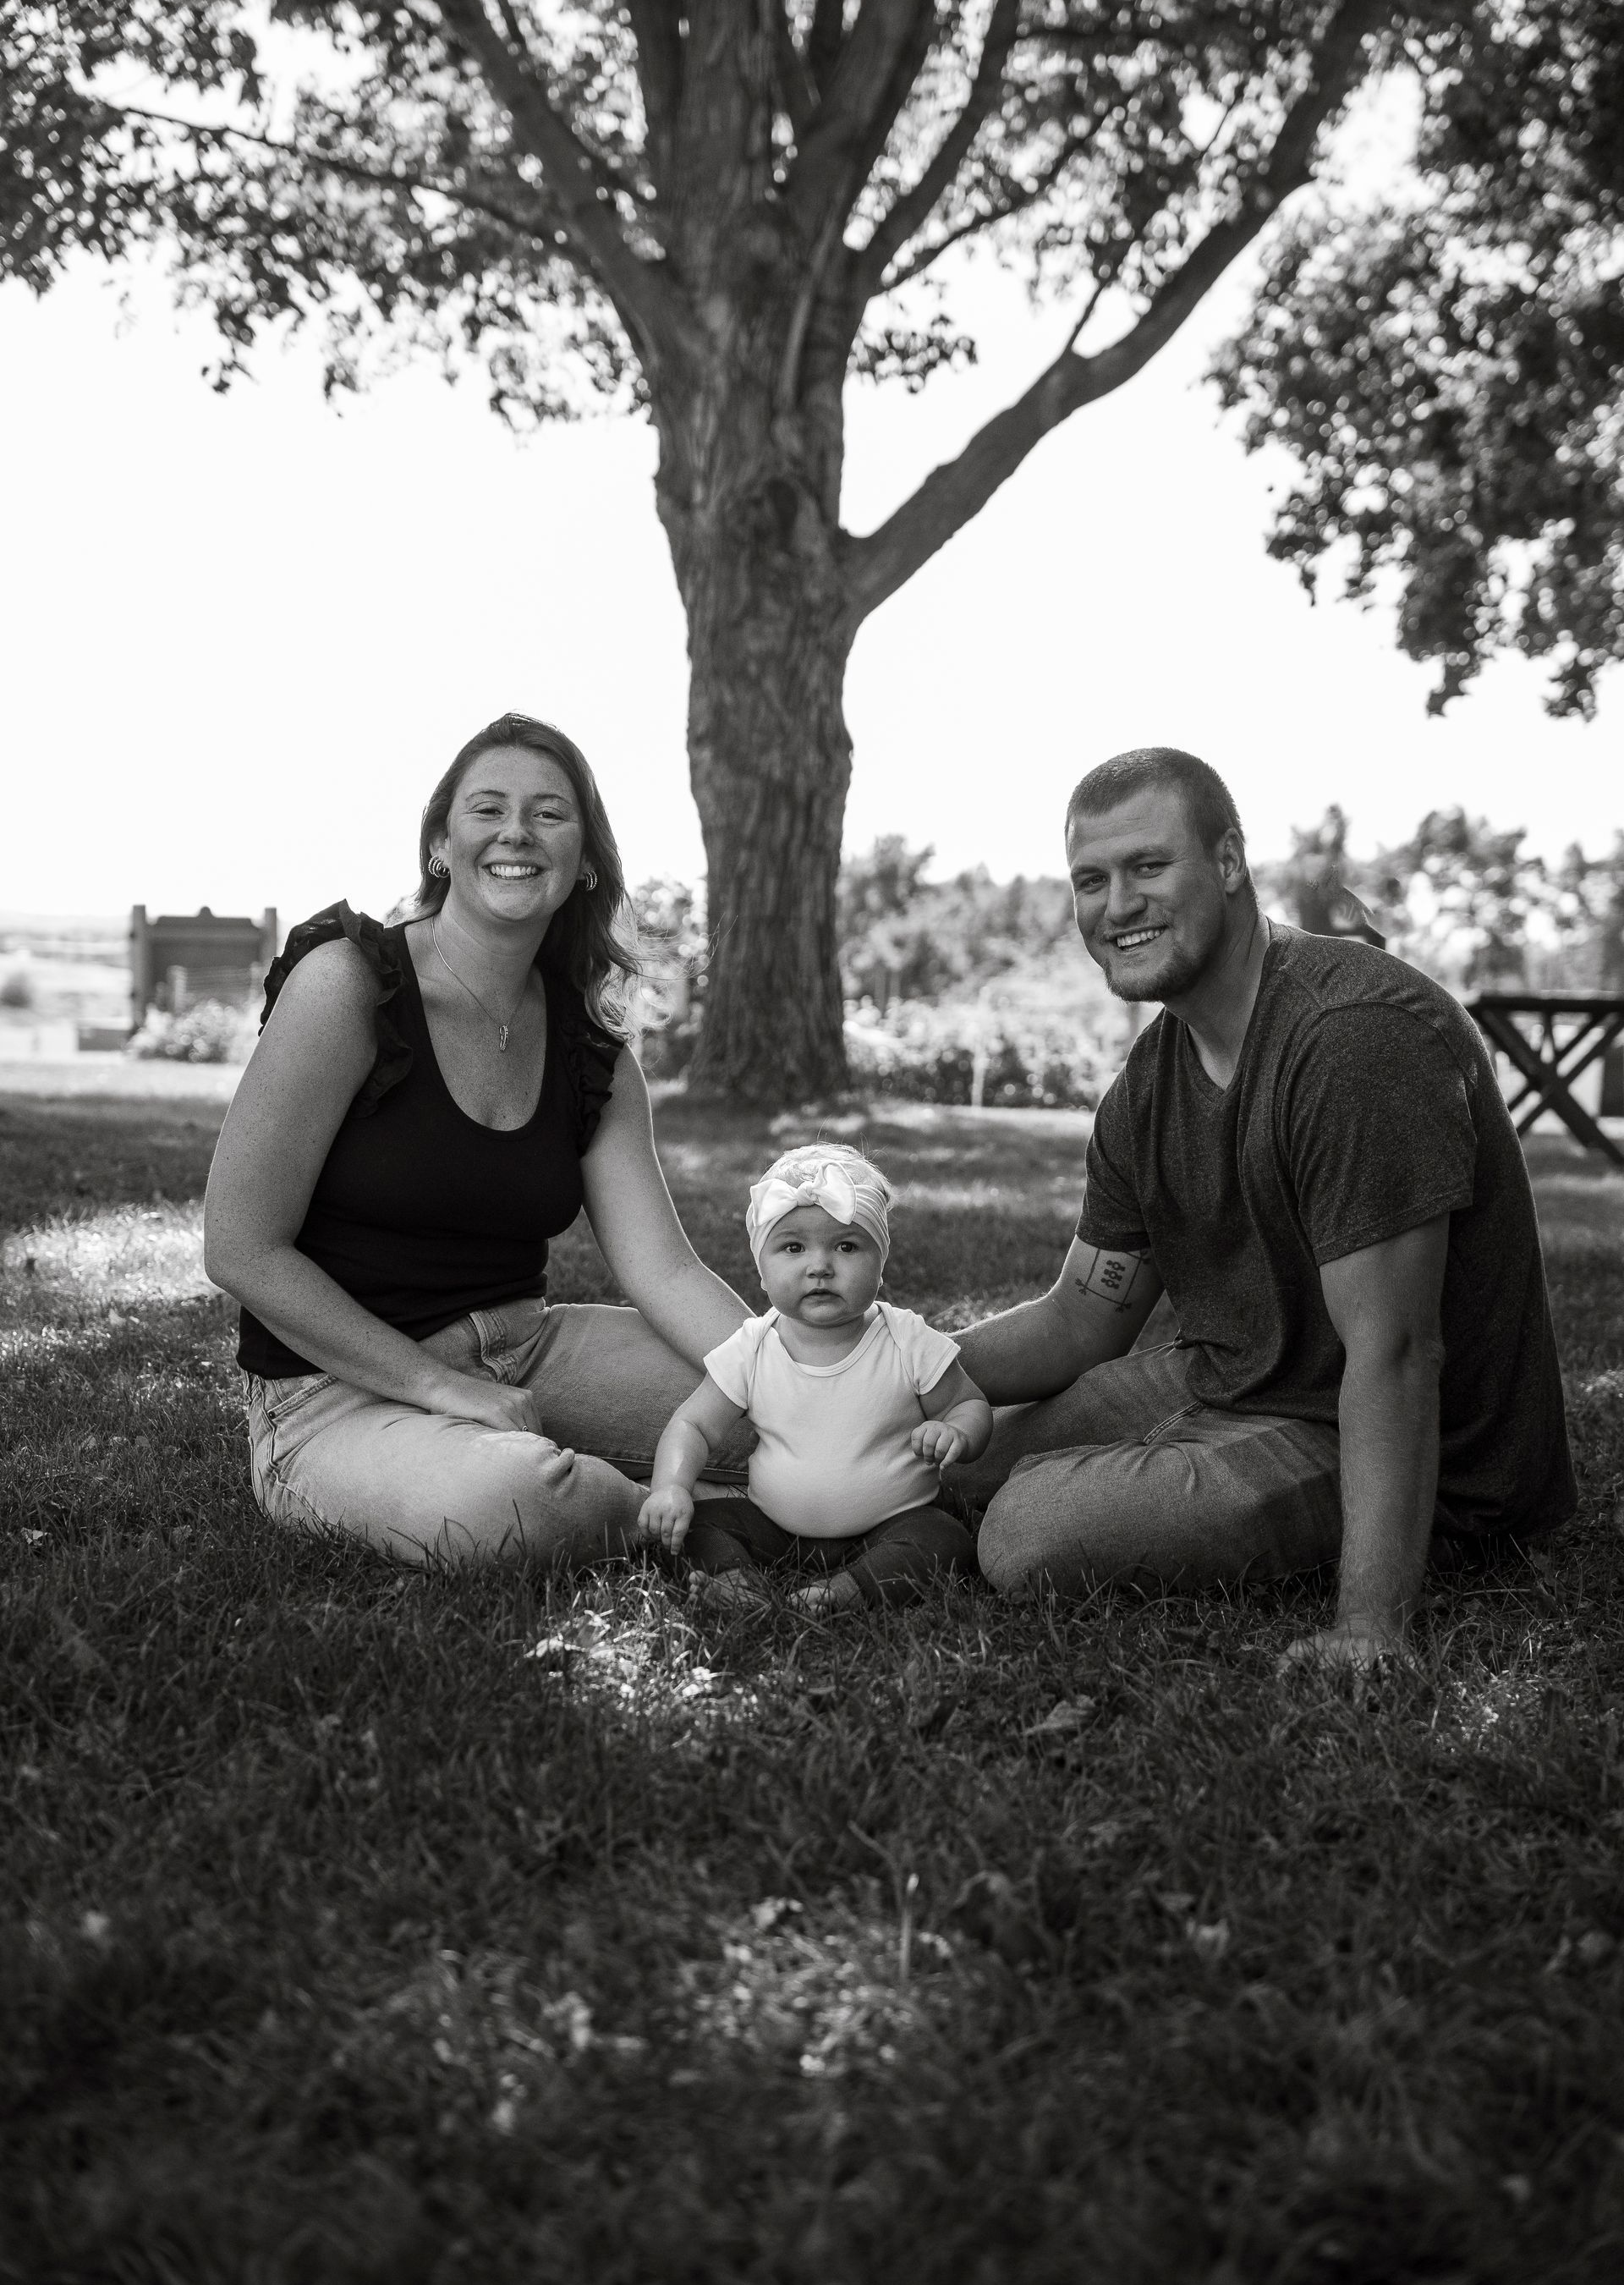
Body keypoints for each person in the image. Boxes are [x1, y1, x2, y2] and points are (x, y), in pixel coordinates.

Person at [955, 748, 1574, 1670]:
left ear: (1232, 863)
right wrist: (887, 1354)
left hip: (1423, 1458)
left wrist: (1369, 1628)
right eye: (1091, 880)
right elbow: (1083, 1316)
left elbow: (1397, 1353)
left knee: (1025, 1533)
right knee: (952, 1465)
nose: (1116, 905)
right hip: (1231, 1380)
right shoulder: (1149, 1084)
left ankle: (1132, 1490)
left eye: (1149, 867)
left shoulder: (1354, 1037)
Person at [204, 711, 752, 1568]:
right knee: (516, 1502)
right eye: (488, 808)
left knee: (782, 1402)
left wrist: (793, 1374)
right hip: (334, 1399)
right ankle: (709, 1512)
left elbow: (666, 1270)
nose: (516, 833)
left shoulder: (589, 1049)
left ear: (585, 863)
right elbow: (242, 1247)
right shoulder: (349, 985)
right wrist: (438, 1386)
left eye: (549, 813)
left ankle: (801, 1476)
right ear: (439, 845)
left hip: (528, 1351)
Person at [638, 1145, 990, 1611]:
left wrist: (957, 1432)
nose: (820, 1265)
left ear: (880, 1262)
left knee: (945, 1538)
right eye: (793, 1247)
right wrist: (671, 1487)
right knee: (696, 1525)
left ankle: (845, 1591)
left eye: (846, 1246)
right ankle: (737, 1583)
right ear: (761, 1270)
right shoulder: (753, 1347)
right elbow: (694, 1425)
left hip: (893, 1522)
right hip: (776, 1527)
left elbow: (970, 1405)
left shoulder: (906, 1339)